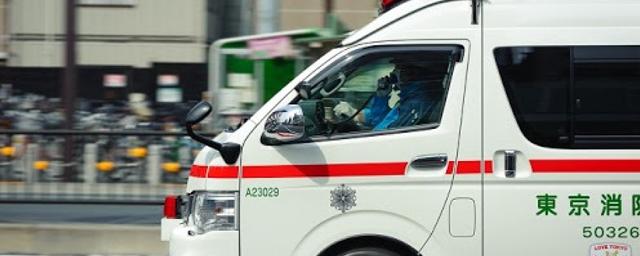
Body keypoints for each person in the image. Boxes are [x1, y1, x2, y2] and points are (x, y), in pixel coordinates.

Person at [333, 62, 440, 131]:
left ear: (410, 73)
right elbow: (381, 120)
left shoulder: (417, 103)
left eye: (398, 68)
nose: (392, 73)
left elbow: (385, 135)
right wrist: (381, 98)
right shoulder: (409, 99)